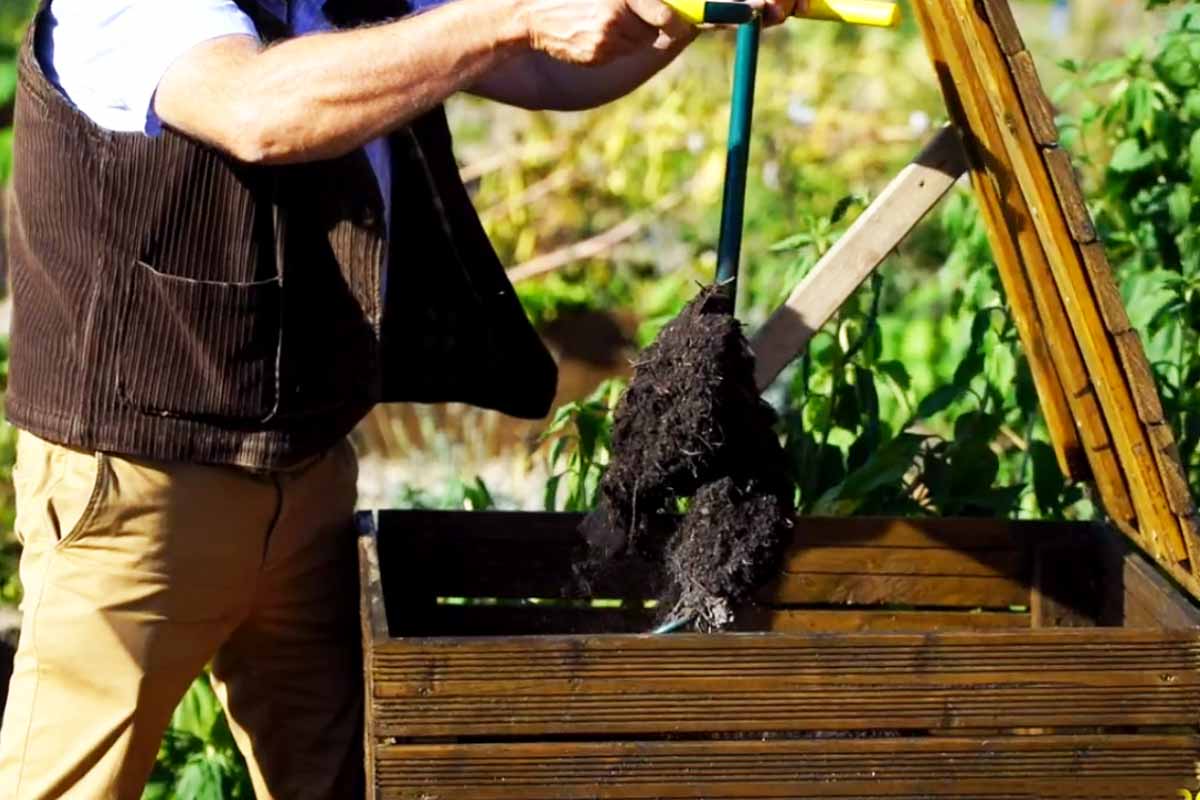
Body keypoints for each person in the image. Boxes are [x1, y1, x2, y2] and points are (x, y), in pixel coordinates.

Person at [0, 0, 795, 797]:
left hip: (309, 469)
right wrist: (512, 15)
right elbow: (258, 108)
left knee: (347, 778)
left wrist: (686, 10)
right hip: (139, 486)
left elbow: (543, 62)